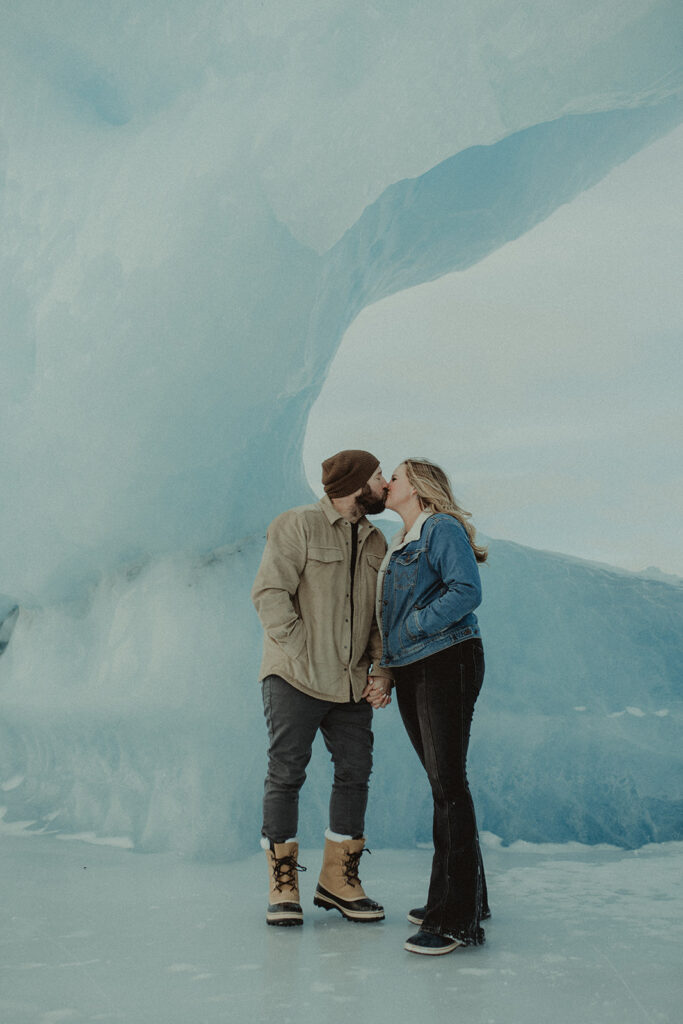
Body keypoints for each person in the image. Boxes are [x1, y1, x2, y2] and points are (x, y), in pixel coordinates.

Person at [251, 450, 393, 927]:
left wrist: (379, 668)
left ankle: (339, 883)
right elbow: (270, 593)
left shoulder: (377, 542)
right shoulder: (298, 525)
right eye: (377, 476)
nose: (384, 483)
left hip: (352, 682)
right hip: (295, 676)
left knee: (355, 771)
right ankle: (282, 886)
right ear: (355, 483)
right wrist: (301, 648)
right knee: (287, 773)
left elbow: (377, 615)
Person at [365, 458, 490, 955]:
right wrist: (390, 669)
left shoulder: (439, 527)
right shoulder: (403, 542)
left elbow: (467, 590)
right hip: (419, 664)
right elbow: (390, 614)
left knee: (448, 785)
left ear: (417, 486)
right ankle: (468, 899)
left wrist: (416, 627)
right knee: (445, 784)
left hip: (447, 661)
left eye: (394, 475)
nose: (387, 483)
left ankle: (455, 919)